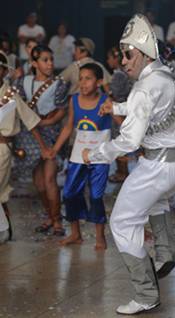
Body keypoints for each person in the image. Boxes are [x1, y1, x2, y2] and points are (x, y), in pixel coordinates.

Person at [82, 14, 175, 314]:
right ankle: (165, 251)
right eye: (122, 54)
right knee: (156, 201)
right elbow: (157, 110)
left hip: (158, 166)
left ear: (145, 53)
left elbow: (129, 142)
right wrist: (120, 106)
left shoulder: (144, 88)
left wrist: (95, 154)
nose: (123, 60)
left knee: (122, 222)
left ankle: (147, 294)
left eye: (128, 54)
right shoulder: (173, 76)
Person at [49, 63, 111, 248]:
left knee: (96, 196)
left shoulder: (106, 101)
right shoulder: (74, 100)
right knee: (69, 193)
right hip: (78, 155)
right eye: (81, 78)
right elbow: (69, 126)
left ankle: (100, 236)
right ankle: (75, 234)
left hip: (99, 156)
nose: (83, 83)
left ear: (99, 82)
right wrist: (55, 148)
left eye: (88, 78)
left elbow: (123, 123)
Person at [14, 45, 69, 236]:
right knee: (39, 184)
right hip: (29, 138)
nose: (50, 63)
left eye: (51, 59)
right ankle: (49, 216)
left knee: (49, 180)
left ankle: (57, 222)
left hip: (50, 135)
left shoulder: (59, 84)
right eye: (45, 60)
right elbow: (20, 109)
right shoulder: (23, 82)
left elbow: (61, 112)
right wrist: (33, 123)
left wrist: (42, 122)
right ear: (34, 63)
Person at [0, 50, 51, 242]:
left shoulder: (11, 94)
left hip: (2, 147)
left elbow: (30, 121)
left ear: (4, 71)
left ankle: (5, 229)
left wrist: (44, 147)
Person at [106, 45, 132, 183]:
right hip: (123, 111)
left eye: (109, 58)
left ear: (116, 58)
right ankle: (121, 171)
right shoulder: (125, 73)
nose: (108, 61)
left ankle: (122, 172)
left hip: (119, 113)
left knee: (119, 144)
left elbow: (113, 96)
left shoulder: (118, 75)